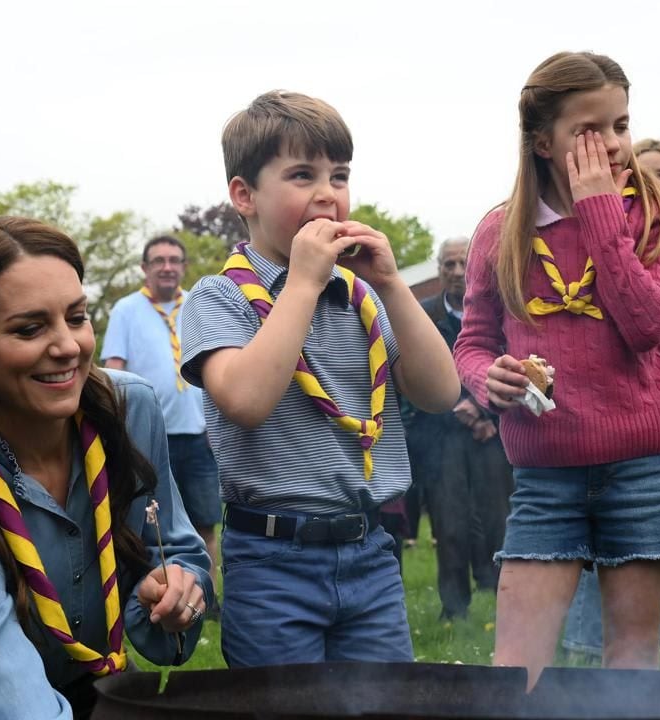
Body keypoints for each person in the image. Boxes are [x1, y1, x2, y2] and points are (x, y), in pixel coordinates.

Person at [0, 217, 213, 720]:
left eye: (76, 317)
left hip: (101, 685)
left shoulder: (131, 412)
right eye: (29, 328)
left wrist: (175, 594)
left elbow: (179, 550)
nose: (67, 346)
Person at [180, 90, 460, 668]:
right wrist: (303, 283)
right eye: (302, 174)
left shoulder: (361, 300)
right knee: (282, 706)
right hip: (271, 558)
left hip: (369, 552)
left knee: (385, 708)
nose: (328, 193)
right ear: (244, 195)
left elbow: (440, 392)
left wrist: (391, 284)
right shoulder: (218, 298)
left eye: (339, 175)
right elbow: (247, 400)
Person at [452, 51, 660, 689]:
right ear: (541, 141)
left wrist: (598, 210)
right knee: (516, 671)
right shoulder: (499, 233)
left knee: (632, 665)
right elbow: (472, 343)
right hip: (543, 475)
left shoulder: (650, 215)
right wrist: (487, 378)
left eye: (621, 124)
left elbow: (647, 326)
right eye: (593, 130)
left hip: (639, 467)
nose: (615, 145)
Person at [563, 138, 660, 658]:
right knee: (593, 517)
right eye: (646, 172)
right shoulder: (608, 234)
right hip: (608, 395)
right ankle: (585, 639)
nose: (657, 182)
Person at [102, 234, 222, 576]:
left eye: (174, 261)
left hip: (199, 436)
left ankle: (206, 595)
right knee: (147, 523)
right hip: (148, 438)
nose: (167, 267)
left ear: (183, 267)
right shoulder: (126, 310)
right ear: (144, 268)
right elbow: (114, 368)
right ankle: (150, 591)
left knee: (204, 522)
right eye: (159, 261)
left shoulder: (199, 306)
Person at [411, 237, 515, 621]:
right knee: (449, 523)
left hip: (491, 434)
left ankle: (509, 603)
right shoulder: (424, 315)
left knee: (499, 520)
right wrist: (454, 405)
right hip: (442, 439)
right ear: (439, 269)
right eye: (448, 265)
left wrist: (486, 411)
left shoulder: (498, 310)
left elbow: (515, 363)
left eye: (462, 264)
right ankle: (453, 608)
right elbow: (413, 372)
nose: (456, 272)